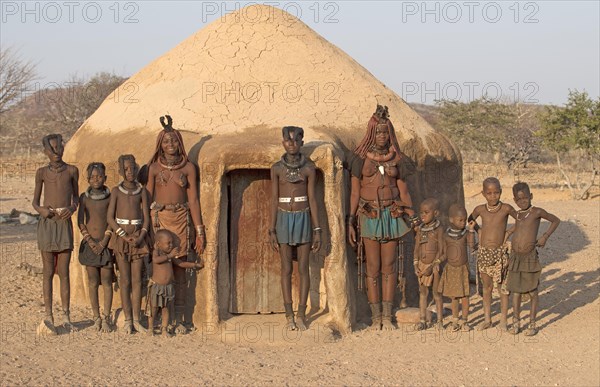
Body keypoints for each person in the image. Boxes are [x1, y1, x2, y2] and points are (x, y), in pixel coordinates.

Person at [348, 105, 416, 331]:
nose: (382, 136)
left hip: (392, 213)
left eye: (385, 132)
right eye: (378, 132)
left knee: (389, 266)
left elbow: (403, 190)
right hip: (369, 214)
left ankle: (387, 316)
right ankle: (375, 315)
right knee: (372, 267)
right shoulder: (359, 160)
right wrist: (350, 220)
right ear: (371, 133)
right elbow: (355, 192)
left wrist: (410, 214)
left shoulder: (398, 159)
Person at [145, 115, 205, 334]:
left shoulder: (188, 168)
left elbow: (194, 200)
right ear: (160, 145)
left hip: (181, 220)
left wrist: (199, 231)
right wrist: (146, 227)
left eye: (174, 141)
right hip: (160, 221)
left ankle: (180, 317)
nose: (170, 145)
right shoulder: (153, 169)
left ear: (180, 143)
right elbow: (147, 199)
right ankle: (158, 317)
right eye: (166, 142)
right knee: (159, 270)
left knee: (180, 272)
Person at [269, 126, 321, 331]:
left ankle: (301, 314)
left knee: (303, 268)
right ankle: (288, 315)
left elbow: (313, 199)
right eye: (288, 140)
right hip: (283, 218)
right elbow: (273, 199)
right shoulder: (276, 169)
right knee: (286, 268)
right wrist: (271, 229)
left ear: (301, 142)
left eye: (296, 140)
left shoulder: (309, 169)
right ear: (283, 142)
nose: (292, 144)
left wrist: (318, 230)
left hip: (304, 218)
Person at [32, 134, 79, 334]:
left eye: (59, 147)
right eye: (51, 149)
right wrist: (41, 210)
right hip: (47, 224)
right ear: (45, 151)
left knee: (64, 272)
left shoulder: (72, 170)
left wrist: (72, 208)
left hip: (63, 222)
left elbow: (76, 198)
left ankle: (67, 316)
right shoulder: (41, 172)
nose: (56, 151)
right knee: (48, 271)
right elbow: (35, 202)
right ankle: (49, 315)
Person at [505, 182, 560, 336]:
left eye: (525, 198)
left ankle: (532, 324)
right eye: (519, 199)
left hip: (529, 258)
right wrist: (508, 233)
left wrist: (545, 237)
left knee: (532, 291)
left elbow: (555, 220)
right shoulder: (517, 214)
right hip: (516, 257)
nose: (522, 201)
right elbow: (519, 225)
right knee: (515, 291)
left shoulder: (536, 212)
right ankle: (516, 323)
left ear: (531, 196)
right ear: (514, 200)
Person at [107, 154, 150, 334]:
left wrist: (140, 236)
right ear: (120, 171)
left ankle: (138, 319)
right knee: (124, 280)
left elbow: (146, 217)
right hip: (121, 238)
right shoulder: (116, 191)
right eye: (126, 169)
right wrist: (123, 235)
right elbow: (110, 217)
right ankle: (128, 320)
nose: (130, 172)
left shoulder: (142, 192)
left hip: (138, 237)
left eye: (133, 168)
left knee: (137, 280)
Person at [468, 177, 517, 331]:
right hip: (484, 253)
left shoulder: (506, 209)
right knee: (487, 288)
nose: (493, 196)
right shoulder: (480, 209)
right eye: (489, 193)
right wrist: (478, 230)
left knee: (502, 287)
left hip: (500, 253)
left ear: (501, 192)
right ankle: (487, 319)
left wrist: (508, 232)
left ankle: (503, 321)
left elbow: (521, 220)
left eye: (496, 192)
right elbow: (470, 219)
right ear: (483, 193)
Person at [77, 162, 114, 332]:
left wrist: (104, 241)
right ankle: (96, 317)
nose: (96, 179)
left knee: (106, 281)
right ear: (87, 179)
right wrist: (90, 241)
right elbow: (80, 221)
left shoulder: (110, 196)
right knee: (93, 281)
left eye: (99, 176)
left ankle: (106, 317)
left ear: (105, 178)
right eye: (92, 177)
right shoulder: (84, 198)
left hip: (105, 244)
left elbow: (111, 219)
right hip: (90, 244)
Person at [147, 230, 203, 337]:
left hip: (167, 287)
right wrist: (170, 256)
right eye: (168, 243)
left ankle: (164, 329)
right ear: (158, 244)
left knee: (165, 309)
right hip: (157, 287)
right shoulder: (156, 253)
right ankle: (150, 328)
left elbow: (181, 264)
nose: (171, 245)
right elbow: (155, 260)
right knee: (153, 309)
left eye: (172, 243)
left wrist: (195, 265)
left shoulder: (170, 256)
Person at [438, 204, 475, 332]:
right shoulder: (446, 235)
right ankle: (455, 320)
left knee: (465, 296)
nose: (463, 222)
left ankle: (464, 320)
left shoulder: (465, 233)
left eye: (464, 219)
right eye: (460, 220)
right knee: (454, 297)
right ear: (451, 220)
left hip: (462, 269)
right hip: (451, 269)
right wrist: (437, 261)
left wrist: (471, 230)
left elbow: (471, 245)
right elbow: (444, 253)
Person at [413, 198, 445, 330]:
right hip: (421, 265)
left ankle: (439, 321)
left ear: (436, 213)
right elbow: (416, 249)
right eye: (421, 213)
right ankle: (422, 320)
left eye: (426, 212)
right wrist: (415, 265)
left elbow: (442, 250)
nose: (423, 215)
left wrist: (433, 266)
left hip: (434, 266)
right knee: (423, 293)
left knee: (437, 294)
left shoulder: (438, 230)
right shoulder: (420, 230)